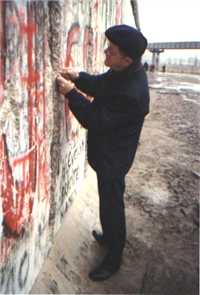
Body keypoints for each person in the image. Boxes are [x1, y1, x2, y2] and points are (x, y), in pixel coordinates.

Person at [56, 24, 150, 281]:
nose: (105, 53)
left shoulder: (133, 93)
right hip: (107, 154)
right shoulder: (123, 72)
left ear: (127, 59)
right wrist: (77, 76)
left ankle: (114, 255)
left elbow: (94, 119)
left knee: (112, 204)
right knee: (108, 200)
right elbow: (101, 84)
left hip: (114, 160)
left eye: (111, 51)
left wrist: (70, 93)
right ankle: (110, 236)